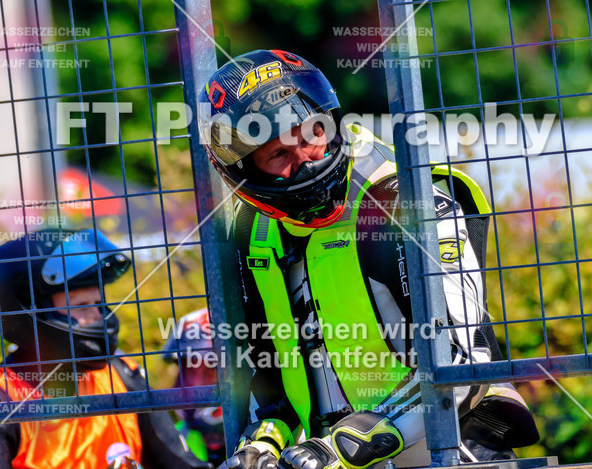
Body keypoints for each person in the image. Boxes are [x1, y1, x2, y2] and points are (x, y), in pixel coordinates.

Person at [198, 50, 539, 467]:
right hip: (332, 458)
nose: (304, 159)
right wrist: (263, 444)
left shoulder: (405, 198)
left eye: (309, 136)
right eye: (277, 154)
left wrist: (339, 448)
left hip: (453, 444)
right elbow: (274, 383)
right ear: (247, 172)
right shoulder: (252, 232)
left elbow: (460, 366)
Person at [0, 228, 209, 469]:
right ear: (31, 313)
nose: (99, 317)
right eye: (81, 306)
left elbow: (181, 463)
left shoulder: (121, 374)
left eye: (99, 302)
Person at [161, 308, 227, 464]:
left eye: (208, 372)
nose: (179, 387)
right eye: (183, 373)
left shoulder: (271, 435)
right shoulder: (171, 439)